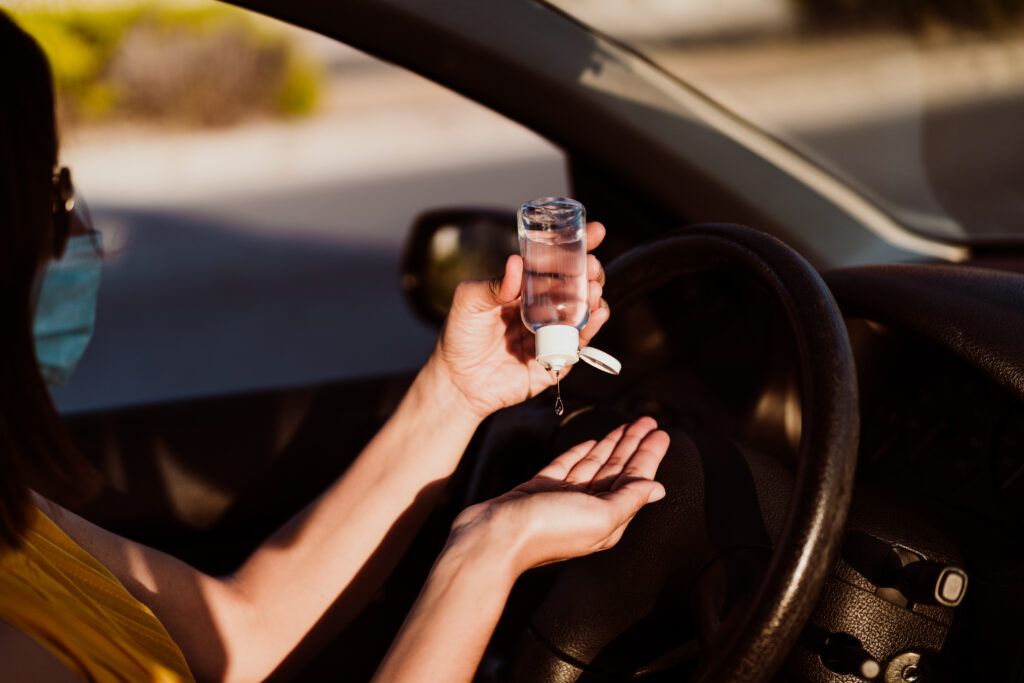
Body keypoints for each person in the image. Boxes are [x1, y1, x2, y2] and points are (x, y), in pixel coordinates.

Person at [0, 11, 669, 683]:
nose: (75, 230)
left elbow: (240, 632)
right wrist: (484, 556)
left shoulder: (15, 515)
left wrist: (457, 391)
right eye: (51, 194)